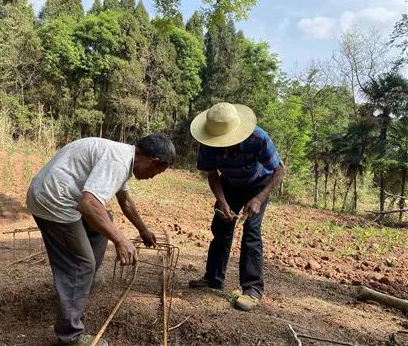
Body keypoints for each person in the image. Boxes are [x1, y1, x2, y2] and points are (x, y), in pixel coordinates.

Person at [26, 134, 176, 346]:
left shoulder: (125, 156)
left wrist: (143, 230)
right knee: (81, 264)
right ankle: (70, 335)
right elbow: (88, 205)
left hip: (54, 193)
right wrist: (121, 240)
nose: (153, 177)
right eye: (156, 173)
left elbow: (125, 201)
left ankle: (87, 279)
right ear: (155, 162)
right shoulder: (118, 161)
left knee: (106, 222)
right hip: (54, 201)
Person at [188, 102, 285, 311]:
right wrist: (222, 202)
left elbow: (279, 170)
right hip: (230, 184)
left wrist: (258, 199)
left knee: (251, 232)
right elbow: (212, 174)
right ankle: (213, 278)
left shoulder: (258, 139)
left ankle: (252, 289)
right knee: (221, 227)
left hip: (258, 186)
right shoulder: (207, 143)